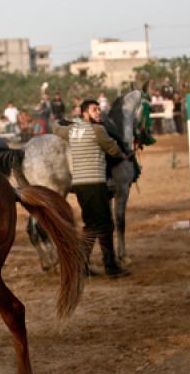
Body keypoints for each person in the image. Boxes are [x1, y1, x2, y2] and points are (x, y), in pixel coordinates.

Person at [53, 100, 132, 278]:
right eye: (94, 110)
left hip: (80, 185)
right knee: (105, 224)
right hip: (96, 183)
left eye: (99, 109)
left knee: (91, 225)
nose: (99, 112)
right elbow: (113, 150)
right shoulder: (98, 130)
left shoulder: (71, 131)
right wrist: (124, 154)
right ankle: (110, 266)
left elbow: (56, 128)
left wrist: (62, 120)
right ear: (85, 114)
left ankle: (81, 265)